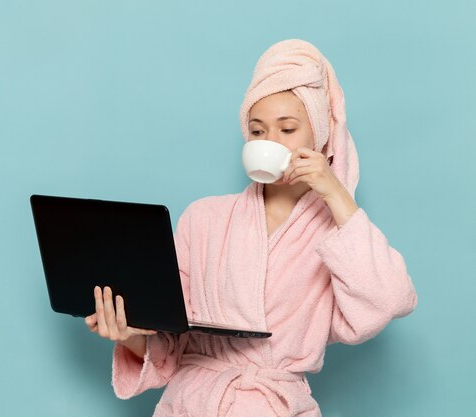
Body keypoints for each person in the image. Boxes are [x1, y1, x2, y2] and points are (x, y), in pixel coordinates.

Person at [84, 39, 418, 417]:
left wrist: (336, 195)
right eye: (258, 132)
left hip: (275, 406)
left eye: (287, 129)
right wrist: (128, 336)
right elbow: (171, 345)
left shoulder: (337, 236)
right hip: (192, 404)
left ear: (320, 137)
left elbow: (388, 301)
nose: (270, 142)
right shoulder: (203, 219)